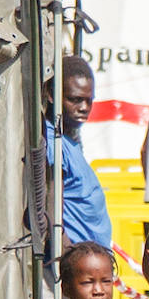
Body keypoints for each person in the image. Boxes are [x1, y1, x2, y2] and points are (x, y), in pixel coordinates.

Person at [46, 55, 111, 249]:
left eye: (89, 101)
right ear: (51, 95)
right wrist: (69, 259)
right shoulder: (53, 143)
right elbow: (52, 216)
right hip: (77, 264)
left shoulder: (68, 139)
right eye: (75, 100)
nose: (84, 108)